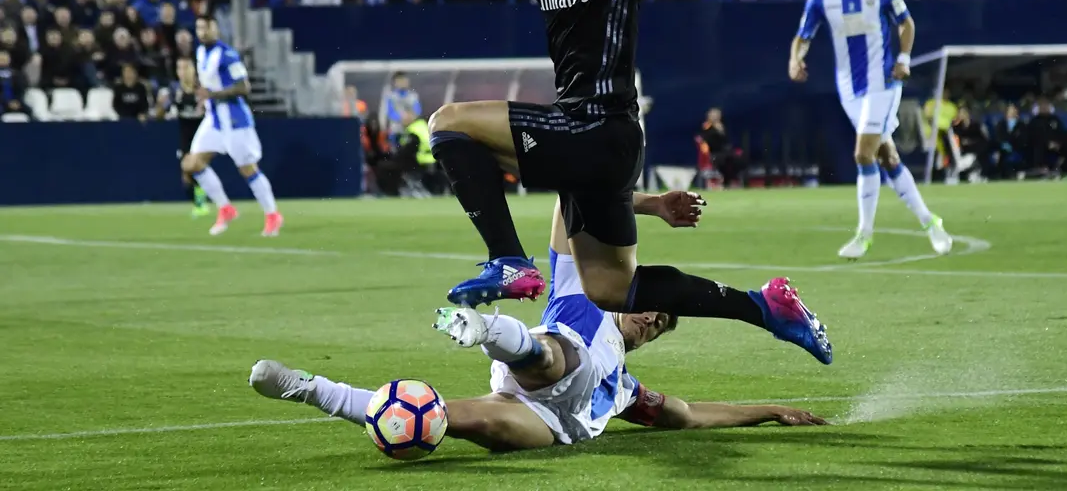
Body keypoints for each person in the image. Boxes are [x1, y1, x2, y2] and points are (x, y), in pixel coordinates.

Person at [405, 0, 811, 351]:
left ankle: (507, 261)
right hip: (596, 145)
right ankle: (764, 307)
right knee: (610, 287)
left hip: (599, 128)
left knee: (448, 123)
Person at [249, 191, 827, 452]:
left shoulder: (623, 389)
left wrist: (772, 411)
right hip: (543, 358)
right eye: (655, 311)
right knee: (554, 356)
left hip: (543, 421)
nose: (652, 319)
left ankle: (313, 388)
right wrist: (648, 206)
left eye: (659, 326)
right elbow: (569, 200)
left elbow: (691, 416)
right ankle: (491, 332)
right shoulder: (584, 287)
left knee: (432, 421)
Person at [788, 0, 953, 259]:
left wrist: (904, 59)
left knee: (863, 154)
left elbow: (906, 23)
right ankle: (930, 222)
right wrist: (795, 59)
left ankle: (863, 236)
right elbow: (802, 36)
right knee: (887, 158)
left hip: (883, 85)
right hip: (849, 91)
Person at [180, 16, 283, 236]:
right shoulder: (200, 52)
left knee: (248, 170)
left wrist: (212, 94)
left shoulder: (227, 55)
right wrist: (197, 89)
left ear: (215, 29)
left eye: (206, 28)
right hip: (214, 120)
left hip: (235, 121)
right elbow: (209, 85)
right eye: (198, 28)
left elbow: (243, 87)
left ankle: (273, 215)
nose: (202, 32)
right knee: (192, 163)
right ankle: (225, 209)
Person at [157, 57, 209, 217]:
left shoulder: (202, 90)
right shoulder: (174, 91)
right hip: (185, 136)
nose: (182, 72)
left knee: (194, 168)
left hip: (202, 135)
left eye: (186, 68)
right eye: (179, 68)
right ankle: (200, 203)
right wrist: (160, 105)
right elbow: (160, 114)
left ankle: (202, 204)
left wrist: (206, 104)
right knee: (186, 175)